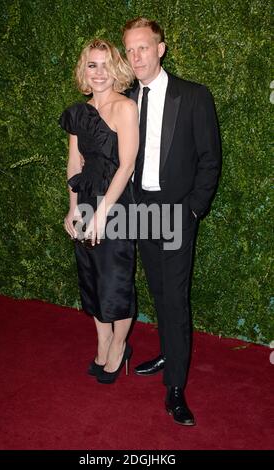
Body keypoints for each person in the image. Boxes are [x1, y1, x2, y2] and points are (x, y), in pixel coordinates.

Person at [123, 18, 221, 425]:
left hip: (178, 212)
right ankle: (169, 351)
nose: (136, 56)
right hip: (141, 210)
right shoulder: (126, 98)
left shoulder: (194, 96)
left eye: (143, 47)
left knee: (176, 299)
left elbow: (210, 158)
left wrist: (194, 208)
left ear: (161, 49)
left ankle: (175, 387)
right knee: (159, 290)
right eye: (129, 50)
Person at [59, 39, 139, 384]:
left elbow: (127, 166)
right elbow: (74, 162)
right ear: (84, 71)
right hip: (88, 197)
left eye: (106, 64)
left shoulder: (125, 108)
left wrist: (104, 213)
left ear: (117, 68)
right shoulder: (78, 112)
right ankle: (103, 339)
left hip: (117, 203)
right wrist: (74, 208)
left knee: (115, 282)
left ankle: (120, 344)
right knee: (91, 278)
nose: (100, 72)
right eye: (93, 65)